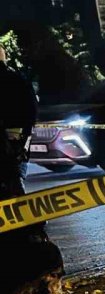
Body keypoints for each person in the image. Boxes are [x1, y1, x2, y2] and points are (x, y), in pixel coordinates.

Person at [0, 44, 38, 196]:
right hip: (17, 138)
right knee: (14, 178)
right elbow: (31, 110)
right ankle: (24, 213)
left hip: (7, 140)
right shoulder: (18, 79)